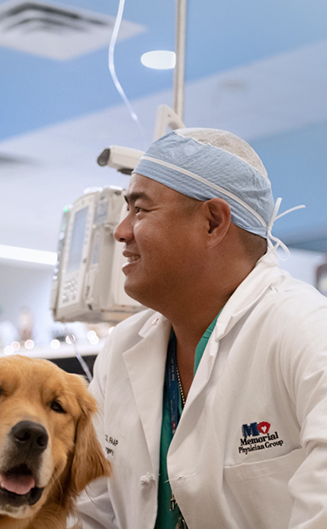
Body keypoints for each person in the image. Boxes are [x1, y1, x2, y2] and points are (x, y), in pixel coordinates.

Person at [76, 128, 327, 528]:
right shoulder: (122, 349)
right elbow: (87, 512)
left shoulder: (307, 334)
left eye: (140, 210)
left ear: (212, 222)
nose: (121, 231)